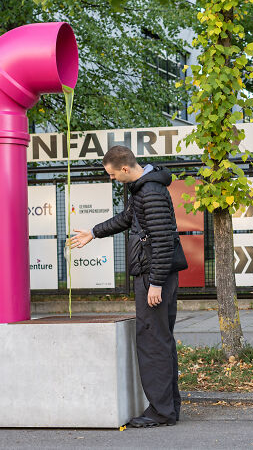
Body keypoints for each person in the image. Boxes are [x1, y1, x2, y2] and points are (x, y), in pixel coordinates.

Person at [67, 145, 187, 428]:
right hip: (154, 275)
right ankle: (168, 407)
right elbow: (128, 218)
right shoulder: (144, 189)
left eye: (111, 174)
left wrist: (155, 283)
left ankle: (161, 411)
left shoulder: (150, 192)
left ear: (124, 168)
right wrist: (94, 232)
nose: (112, 179)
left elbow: (162, 240)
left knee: (152, 341)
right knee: (160, 340)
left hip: (153, 277)